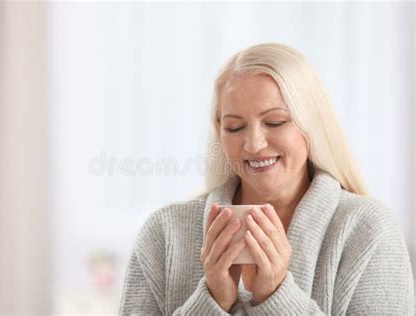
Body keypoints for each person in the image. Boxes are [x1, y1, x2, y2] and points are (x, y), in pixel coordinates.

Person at [118, 43, 415, 315]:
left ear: (312, 125)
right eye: (234, 127)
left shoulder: (368, 229)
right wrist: (211, 300)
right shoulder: (164, 233)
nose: (254, 144)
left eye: (275, 122)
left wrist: (277, 298)